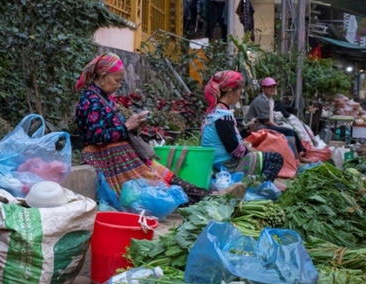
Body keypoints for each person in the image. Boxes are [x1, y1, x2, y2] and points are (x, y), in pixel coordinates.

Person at [74, 52, 210, 205]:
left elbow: (115, 128)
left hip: (121, 153)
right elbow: (96, 137)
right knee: (153, 186)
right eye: (116, 80)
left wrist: (134, 125)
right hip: (105, 156)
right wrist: (126, 127)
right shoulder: (90, 101)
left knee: (164, 175)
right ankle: (201, 198)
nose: (119, 85)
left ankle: (206, 196)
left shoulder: (105, 98)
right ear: (103, 75)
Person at [201, 71, 284, 181]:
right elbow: (234, 148)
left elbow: (228, 138)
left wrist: (246, 131)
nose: (240, 96)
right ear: (230, 92)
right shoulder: (222, 116)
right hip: (226, 164)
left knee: (260, 155)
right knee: (276, 158)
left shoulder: (215, 112)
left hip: (215, 161)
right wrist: (248, 150)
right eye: (240, 92)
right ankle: (255, 188)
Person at [246, 77, 310, 161]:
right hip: (259, 127)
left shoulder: (269, 99)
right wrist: (278, 126)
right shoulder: (261, 101)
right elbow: (267, 120)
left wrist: (279, 124)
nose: (272, 89)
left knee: (291, 130)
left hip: (265, 125)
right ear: (263, 88)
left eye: (274, 86)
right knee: (290, 132)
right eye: (269, 87)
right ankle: (299, 155)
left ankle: (300, 152)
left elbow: (270, 117)